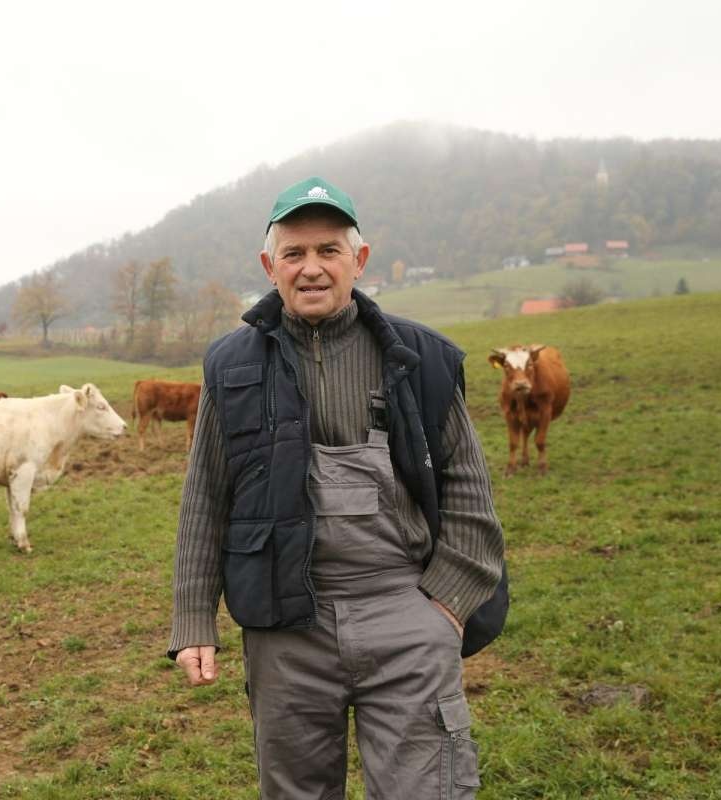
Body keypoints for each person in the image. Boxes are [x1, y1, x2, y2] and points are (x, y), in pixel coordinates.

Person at [167, 177, 504, 799]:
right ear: (270, 268)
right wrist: (193, 618)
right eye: (294, 254)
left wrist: (443, 612)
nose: (312, 268)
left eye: (329, 250)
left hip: (404, 612)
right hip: (284, 625)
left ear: (360, 260)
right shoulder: (231, 367)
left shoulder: (421, 358)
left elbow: (469, 495)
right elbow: (206, 499)